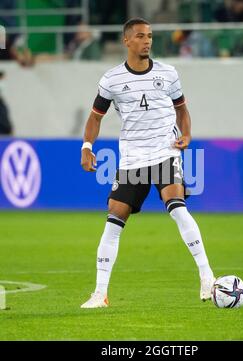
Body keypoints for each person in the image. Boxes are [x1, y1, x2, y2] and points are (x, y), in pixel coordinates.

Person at [80, 18, 215, 308]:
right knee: (114, 221)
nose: (147, 41)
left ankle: (207, 276)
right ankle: (99, 293)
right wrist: (87, 146)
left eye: (150, 36)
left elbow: (182, 110)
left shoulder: (168, 73)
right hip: (131, 158)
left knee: (177, 207)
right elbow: (95, 117)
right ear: (126, 41)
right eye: (141, 36)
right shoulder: (111, 80)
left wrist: (187, 133)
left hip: (165, 152)